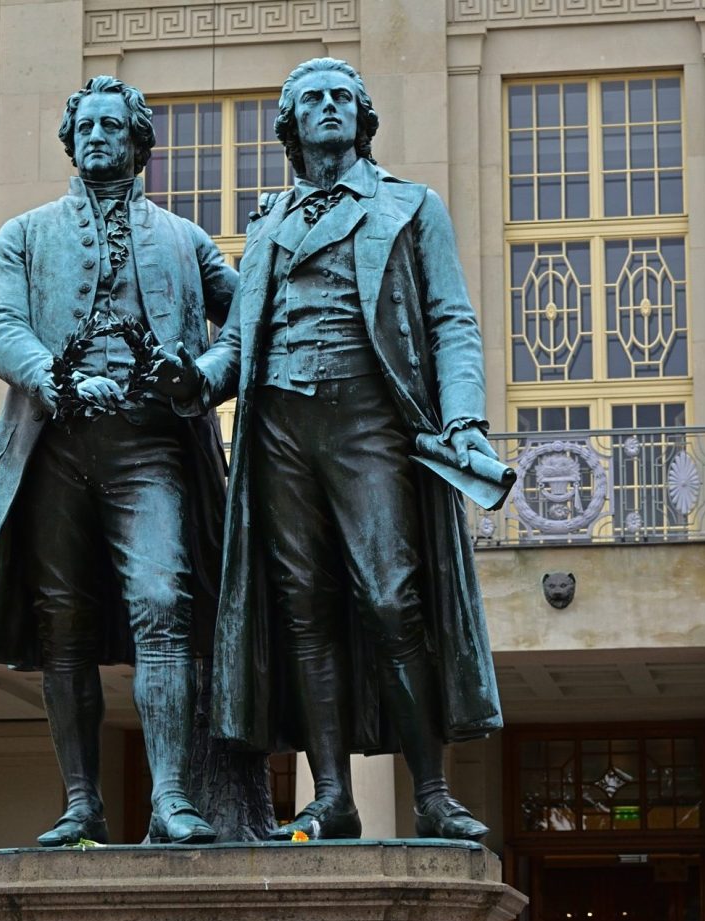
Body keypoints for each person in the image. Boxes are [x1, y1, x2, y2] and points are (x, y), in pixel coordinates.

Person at [156, 57, 503, 842]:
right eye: (312, 98)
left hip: (368, 423)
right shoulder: (271, 221)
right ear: (291, 124)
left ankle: (433, 794)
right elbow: (238, 343)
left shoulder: (412, 206)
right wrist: (192, 377)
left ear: (363, 117)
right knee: (304, 612)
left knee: (391, 600)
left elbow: (452, 320)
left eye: (343, 97)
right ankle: (331, 795)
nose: (329, 107)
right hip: (279, 427)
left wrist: (467, 419)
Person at [0, 75, 236, 846]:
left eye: (112, 127)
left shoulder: (186, 240)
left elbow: (250, 321)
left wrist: (201, 376)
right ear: (71, 139)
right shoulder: (23, 236)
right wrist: (55, 377)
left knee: (164, 601)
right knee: (65, 625)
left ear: (137, 143)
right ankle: (82, 802)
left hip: (150, 445)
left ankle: (173, 800)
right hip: (53, 445)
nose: (97, 137)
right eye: (85, 126)